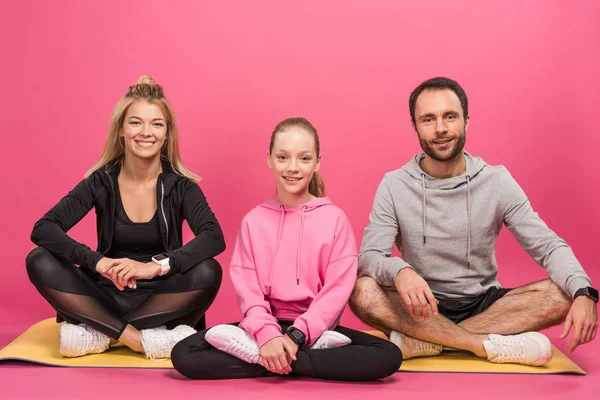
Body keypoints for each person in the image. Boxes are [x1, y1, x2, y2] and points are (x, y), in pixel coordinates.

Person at [350, 77, 598, 366]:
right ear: (415, 127)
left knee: (563, 293)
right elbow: (368, 258)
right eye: (428, 119)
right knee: (361, 291)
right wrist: (400, 271)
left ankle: (427, 340)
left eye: (450, 116)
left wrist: (584, 292)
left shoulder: (497, 181)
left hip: (485, 304)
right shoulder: (394, 185)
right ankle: (480, 344)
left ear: (466, 121)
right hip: (417, 305)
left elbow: (548, 246)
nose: (441, 128)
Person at [171, 117, 402, 381]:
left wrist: (296, 336)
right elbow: (249, 292)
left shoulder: (335, 219)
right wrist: (268, 336)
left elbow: (336, 292)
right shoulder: (253, 221)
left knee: (387, 355)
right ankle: (294, 357)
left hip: (317, 329)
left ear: (317, 162)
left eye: (304, 159)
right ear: (269, 158)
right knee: (185, 353)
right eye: (283, 157)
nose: (293, 168)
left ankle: (263, 357)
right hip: (262, 327)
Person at [26, 76, 226, 359]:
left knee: (209, 270)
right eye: (136, 122)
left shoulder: (182, 186)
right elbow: (44, 228)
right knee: (38, 259)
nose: (146, 132)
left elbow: (213, 237)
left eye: (156, 124)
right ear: (121, 129)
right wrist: (100, 263)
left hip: (161, 299)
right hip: (104, 295)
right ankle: (137, 339)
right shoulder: (101, 181)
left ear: (167, 133)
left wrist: (155, 267)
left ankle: (101, 333)